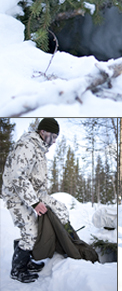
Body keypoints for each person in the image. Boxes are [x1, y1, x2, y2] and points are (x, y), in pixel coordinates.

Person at [2, 118, 70, 283]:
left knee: (60, 210)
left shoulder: (40, 149)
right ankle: (18, 269)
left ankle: (35, 258)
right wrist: (34, 203)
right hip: (16, 196)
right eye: (53, 136)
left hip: (34, 192)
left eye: (56, 138)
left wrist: (41, 198)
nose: (54, 141)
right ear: (43, 132)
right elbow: (17, 177)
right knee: (31, 232)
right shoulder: (26, 146)